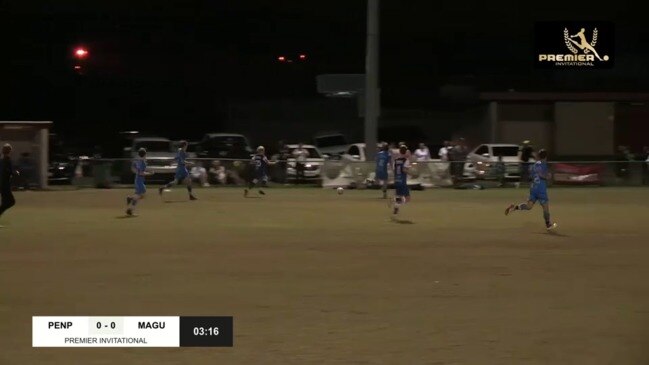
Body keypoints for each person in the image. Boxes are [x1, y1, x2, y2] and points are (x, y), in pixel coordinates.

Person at [505, 149, 557, 231]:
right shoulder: (544, 164)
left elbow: (532, 176)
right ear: (546, 157)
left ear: (539, 156)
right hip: (541, 190)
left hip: (533, 188)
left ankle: (514, 207)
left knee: (529, 206)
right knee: (545, 208)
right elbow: (542, 175)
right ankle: (548, 224)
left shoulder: (535, 165)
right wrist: (547, 176)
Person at [126, 148, 154, 216]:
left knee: (138, 196)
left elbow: (135, 168)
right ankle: (130, 200)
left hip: (138, 180)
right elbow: (141, 173)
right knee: (142, 195)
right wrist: (149, 173)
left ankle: (130, 208)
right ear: (145, 154)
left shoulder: (139, 161)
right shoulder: (142, 162)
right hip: (139, 181)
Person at [389, 145, 411, 216]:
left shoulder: (396, 160)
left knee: (399, 196)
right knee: (407, 199)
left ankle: (396, 206)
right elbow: (404, 170)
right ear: (405, 152)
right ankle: (395, 204)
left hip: (397, 180)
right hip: (402, 181)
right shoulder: (406, 160)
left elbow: (394, 170)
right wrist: (410, 172)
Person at [0, 144, 19, 225]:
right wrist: (16, 173)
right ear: (9, 151)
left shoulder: (1, 159)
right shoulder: (7, 160)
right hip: (4, 184)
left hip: (2, 183)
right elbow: (8, 171)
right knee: (11, 202)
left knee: (5, 202)